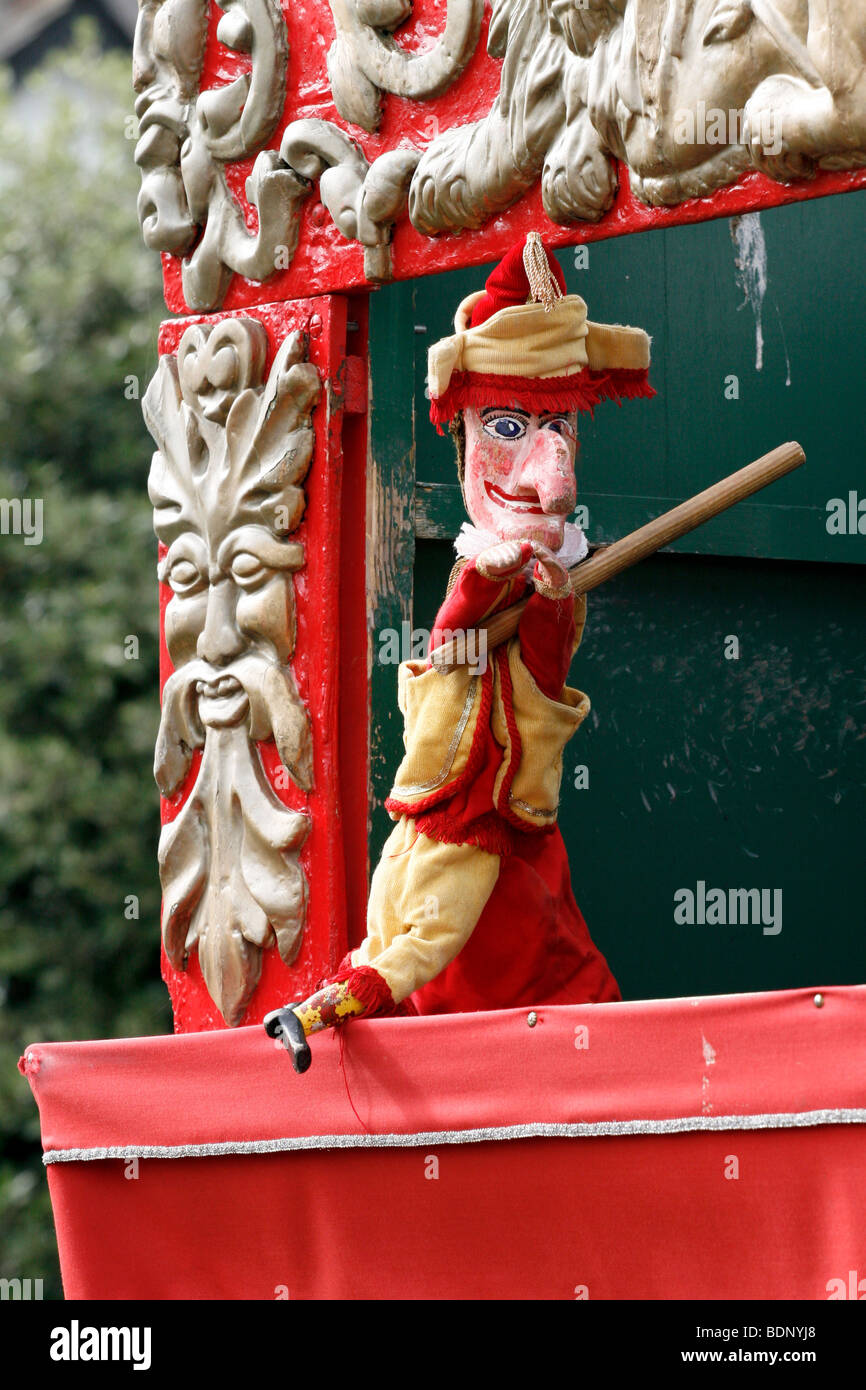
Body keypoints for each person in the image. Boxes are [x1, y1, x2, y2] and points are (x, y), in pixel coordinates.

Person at [266, 232, 654, 1070]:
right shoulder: (475, 579)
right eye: (512, 424)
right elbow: (453, 644)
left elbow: (545, 667)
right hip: (458, 819)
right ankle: (330, 1010)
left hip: (515, 825)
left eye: (558, 426)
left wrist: (548, 599)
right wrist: (488, 584)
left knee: (554, 967)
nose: (547, 462)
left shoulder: (550, 580)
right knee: (417, 942)